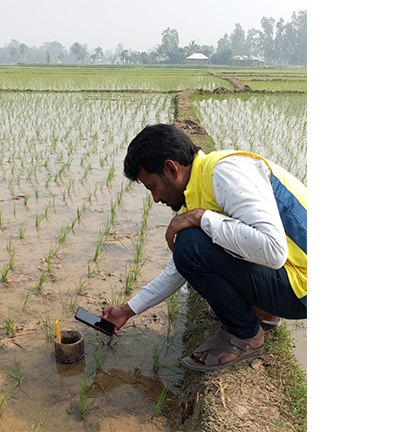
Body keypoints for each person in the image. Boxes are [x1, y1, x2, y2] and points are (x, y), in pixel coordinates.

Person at [101, 124, 307, 372]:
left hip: (303, 288)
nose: (155, 198)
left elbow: (274, 251)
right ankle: (265, 313)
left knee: (190, 244)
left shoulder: (225, 173)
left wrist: (201, 217)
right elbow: (178, 268)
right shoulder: (200, 185)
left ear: (171, 168)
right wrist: (126, 311)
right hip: (295, 278)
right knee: (191, 246)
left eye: (152, 187)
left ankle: (246, 335)